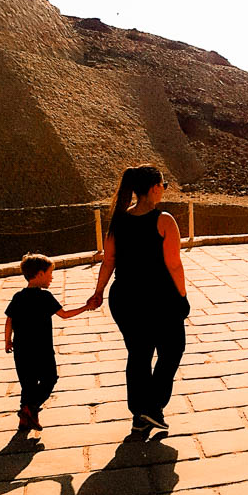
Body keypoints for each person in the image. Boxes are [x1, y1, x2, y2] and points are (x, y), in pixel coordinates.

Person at [87, 165, 190, 434]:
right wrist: (183, 295)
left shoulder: (119, 220)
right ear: (155, 188)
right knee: (173, 349)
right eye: (164, 186)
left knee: (139, 354)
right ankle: (152, 407)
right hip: (160, 298)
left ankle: (140, 414)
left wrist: (98, 292)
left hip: (124, 298)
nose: (164, 191)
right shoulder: (164, 220)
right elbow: (174, 264)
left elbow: (108, 261)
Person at [5, 253, 93, 431]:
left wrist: (7, 341)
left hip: (21, 350)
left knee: (27, 385)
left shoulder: (18, 297)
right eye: (50, 273)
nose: (52, 277)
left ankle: (26, 419)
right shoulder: (45, 297)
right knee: (50, 379)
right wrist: (86, 307)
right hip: (43, 350)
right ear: (39, 274)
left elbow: (9, 320)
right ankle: (29, 409)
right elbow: (65, 314)